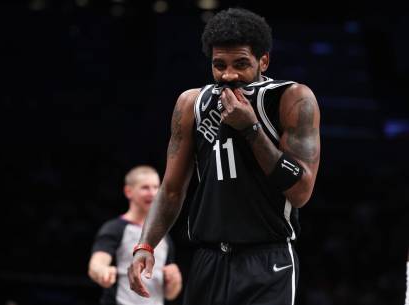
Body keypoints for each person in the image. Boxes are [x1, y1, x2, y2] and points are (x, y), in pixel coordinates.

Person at [128, 7, 321, 305]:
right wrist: (146, 245)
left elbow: (300, 191)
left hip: (267, 259)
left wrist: (252, 129)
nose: (229, 75)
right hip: (208, 259)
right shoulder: (191, 103)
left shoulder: (292, 98)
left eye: (241, 63)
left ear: (263, 60)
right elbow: (171, 188)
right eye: (220, 65)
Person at [88, 165, 182, 305]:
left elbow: (170, 294)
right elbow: (96, 264)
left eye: (156, 187)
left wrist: (175, 281)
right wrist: (102, 272)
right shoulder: (114, 228)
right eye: (145, 188)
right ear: (128, 191)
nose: (152, 193)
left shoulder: (162, 234)